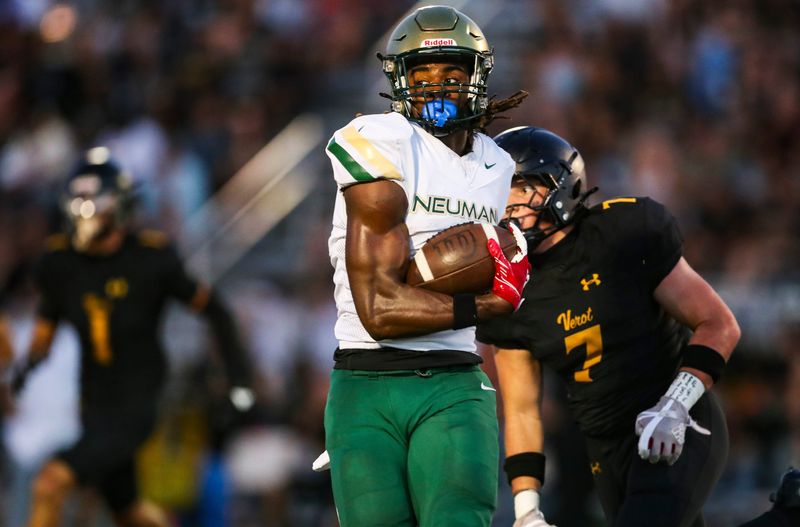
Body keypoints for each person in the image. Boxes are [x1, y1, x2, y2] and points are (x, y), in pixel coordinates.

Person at [322, 5, 530, 526]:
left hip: (453, 378)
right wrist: (490, 302)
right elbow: (379, 310)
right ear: (400, 82)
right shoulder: (379, 142)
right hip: (365, 379)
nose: (436, 88)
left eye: (452, 75)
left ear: (476, 79)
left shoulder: (499, 164)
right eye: (422, 76)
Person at [476, 126, 741, 527]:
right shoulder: (509, 284)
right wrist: (527, 509)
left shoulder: (622, 232)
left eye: (520, 186)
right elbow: (522, 413)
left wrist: (674, 405)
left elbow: (719, 325)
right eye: (500, 189)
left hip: (675, 414)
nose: (506, 202)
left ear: (559, 186)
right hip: (604, 447)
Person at [3, 146, 255, 527]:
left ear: (118, 204)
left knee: (50, 482)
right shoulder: (59, 262)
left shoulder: (150, 259)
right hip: (92, 403)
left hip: (136, 403)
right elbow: (47, 322)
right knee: (130, 511)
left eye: (92, 200)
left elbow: (215, 309)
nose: (84, 211)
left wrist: (238, 377)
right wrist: (27, 365)